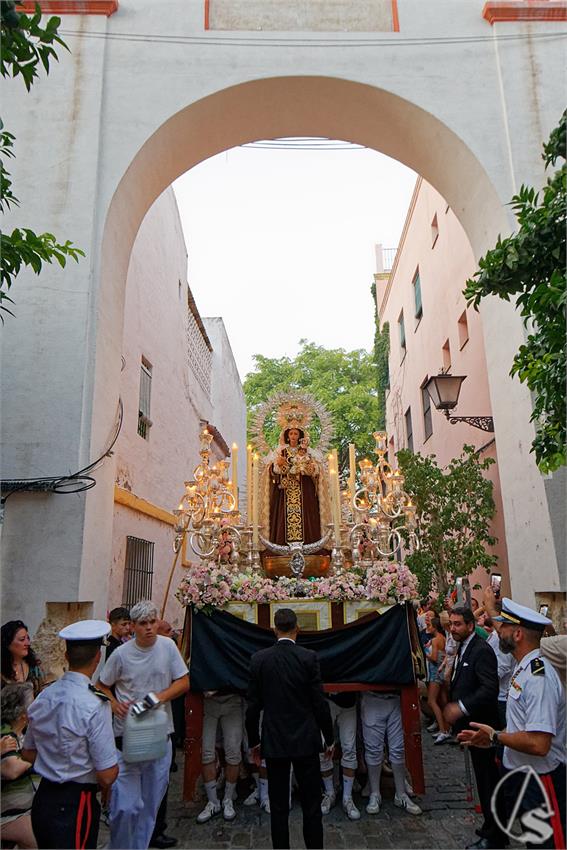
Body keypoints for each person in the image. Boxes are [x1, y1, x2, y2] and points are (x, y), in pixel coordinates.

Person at [459, 599, 566, 850]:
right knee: (535, 842)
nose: (499, 630)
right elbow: (521, 726)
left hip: (542, 782)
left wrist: (496, 736)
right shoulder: (524, 666)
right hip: (528, 779)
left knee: (548, 845)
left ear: (517, 634)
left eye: (504, 627)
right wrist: (492, 739)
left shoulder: (538, 677)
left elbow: (539, 743)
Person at [97, 600, 189, 850]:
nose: (149, 628)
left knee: (151, 803)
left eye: (152, 622)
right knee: (125, 806)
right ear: (133, 627)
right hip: (126, 735)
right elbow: (102, 685)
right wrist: (115, 704)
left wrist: (158, 698)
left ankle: (141, 845)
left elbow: (183, 681)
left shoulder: (168, 647)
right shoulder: (121, 654)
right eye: (142, 623)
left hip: (159, 732)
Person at [21, 620, 119, 849]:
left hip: (44, 797)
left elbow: (27, 753)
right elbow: (106, 775)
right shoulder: (95, 704)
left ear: (66, 655)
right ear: (97, 658)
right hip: (77, 800)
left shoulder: (44, 696)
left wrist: (54, 762)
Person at [245, 608, 334, 849]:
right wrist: (330, 737)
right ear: (297, 629)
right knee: (311, 806)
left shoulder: (259, 659)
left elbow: (253, 707)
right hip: (306, 738)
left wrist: (254, 741)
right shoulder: (308, 657)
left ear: (275, 629)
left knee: (279, 807)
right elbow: (319, 702)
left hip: (275, 740)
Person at [443, 605, 505, 849]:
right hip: (471, 728)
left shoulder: (481, 650)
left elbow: (489, 689)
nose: (453, 628)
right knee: (484, 780)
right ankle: (491, 825)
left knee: (490, 781)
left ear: (471, 626)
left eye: (458, 624)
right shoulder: (463, 648)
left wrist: (461, 707)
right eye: (451, 624)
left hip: (483, 726)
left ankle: (496, 835)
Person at [360, 691, 422, 817]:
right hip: (372, 697)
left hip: (396, 697)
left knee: (398, 748)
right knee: (373, 749)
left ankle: (400, 793)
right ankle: (375, 793)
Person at [264, 424, 327, 547]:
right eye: (291, 433)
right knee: (283, 517)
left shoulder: (307, 451)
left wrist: (306, 468)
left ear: (300, 436)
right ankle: (283, 546)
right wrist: (281, 466)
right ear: (287, 435)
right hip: (285, 491)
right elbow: (272, 469)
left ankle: (309, 546)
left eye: (296, 434)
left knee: (307, 516)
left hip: (304, 490)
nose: (293, 436)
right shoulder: (281, 451)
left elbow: (316, 469)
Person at [196, 691, 244, 824]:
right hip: (208, 701)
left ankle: (228, 799)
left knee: (233, 752)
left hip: (232, 699)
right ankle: (213, 801)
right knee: (206, 753)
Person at [1, 682, 38, 849]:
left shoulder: (24, 734)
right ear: (23, 713)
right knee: (37, 840)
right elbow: (11, 770)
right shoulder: (5, 735)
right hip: (8, 813)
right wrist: (37, 758)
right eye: (34, 702)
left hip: (28, 807)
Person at [319, 691, 360, 821]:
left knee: (349, 747)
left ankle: (347, 797)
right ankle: (329, 792)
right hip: (326, 699)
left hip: (348, 700)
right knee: (323, 747)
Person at [424, 615, 451, 745]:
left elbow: (434, 658)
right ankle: (446, 728)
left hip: (435, 672)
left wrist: (424, 653)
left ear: (434, 627)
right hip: (442, 671)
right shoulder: (444, 638)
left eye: (429, 625)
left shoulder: (435, 640)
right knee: (442, 700)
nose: (427, 628)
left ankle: (442, 730)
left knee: (431, 701)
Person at [1, 620, 45, 696]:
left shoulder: (34, 669)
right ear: (7, 643)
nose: (27, 643)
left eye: (28, 639)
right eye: (22, 639)